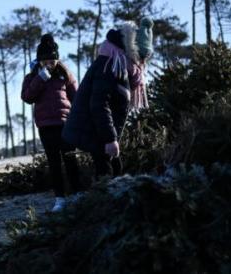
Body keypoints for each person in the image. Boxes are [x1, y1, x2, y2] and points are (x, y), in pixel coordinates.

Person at [63, 26, 144, 179]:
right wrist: (110, 139)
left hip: (97, 130)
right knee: (109, 173)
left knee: (113, 170)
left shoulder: (116, 63)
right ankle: (99, 201)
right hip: (94, 130)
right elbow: (99, 105)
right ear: (128, 47)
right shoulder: (109, 66)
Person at [21, 34, 80, 212]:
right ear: (39, 61)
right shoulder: (31, 77)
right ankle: (60, 199)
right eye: (45, 61)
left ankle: (77, 194)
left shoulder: (65, 75)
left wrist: (76, 119)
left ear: (57, 59)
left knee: (71, 160)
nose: (49, 64)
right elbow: (27, 97)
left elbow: (76, 97)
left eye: (52, 60)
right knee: (54, 163)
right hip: (46, 126)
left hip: (66, 124)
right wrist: (41, 79)